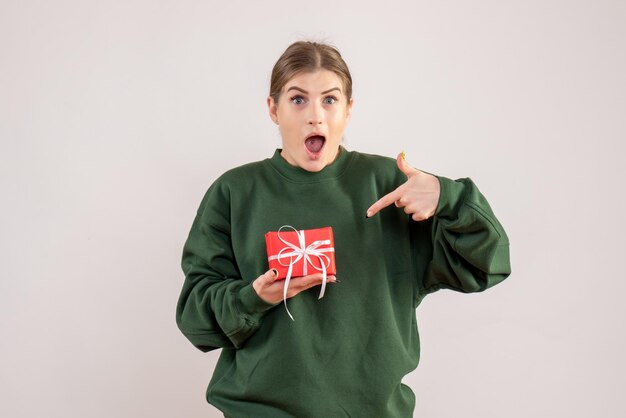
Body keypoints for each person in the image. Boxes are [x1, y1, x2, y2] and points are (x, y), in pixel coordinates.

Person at [176, 40, 511, 417]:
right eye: (298, 99)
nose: (315, 116)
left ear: (349, 110)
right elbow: (194, 318)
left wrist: (448, 198)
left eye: (330, 100)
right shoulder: (234, 192)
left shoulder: (392, 186)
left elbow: (488, 264)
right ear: (273, 109)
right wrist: (254, 297)